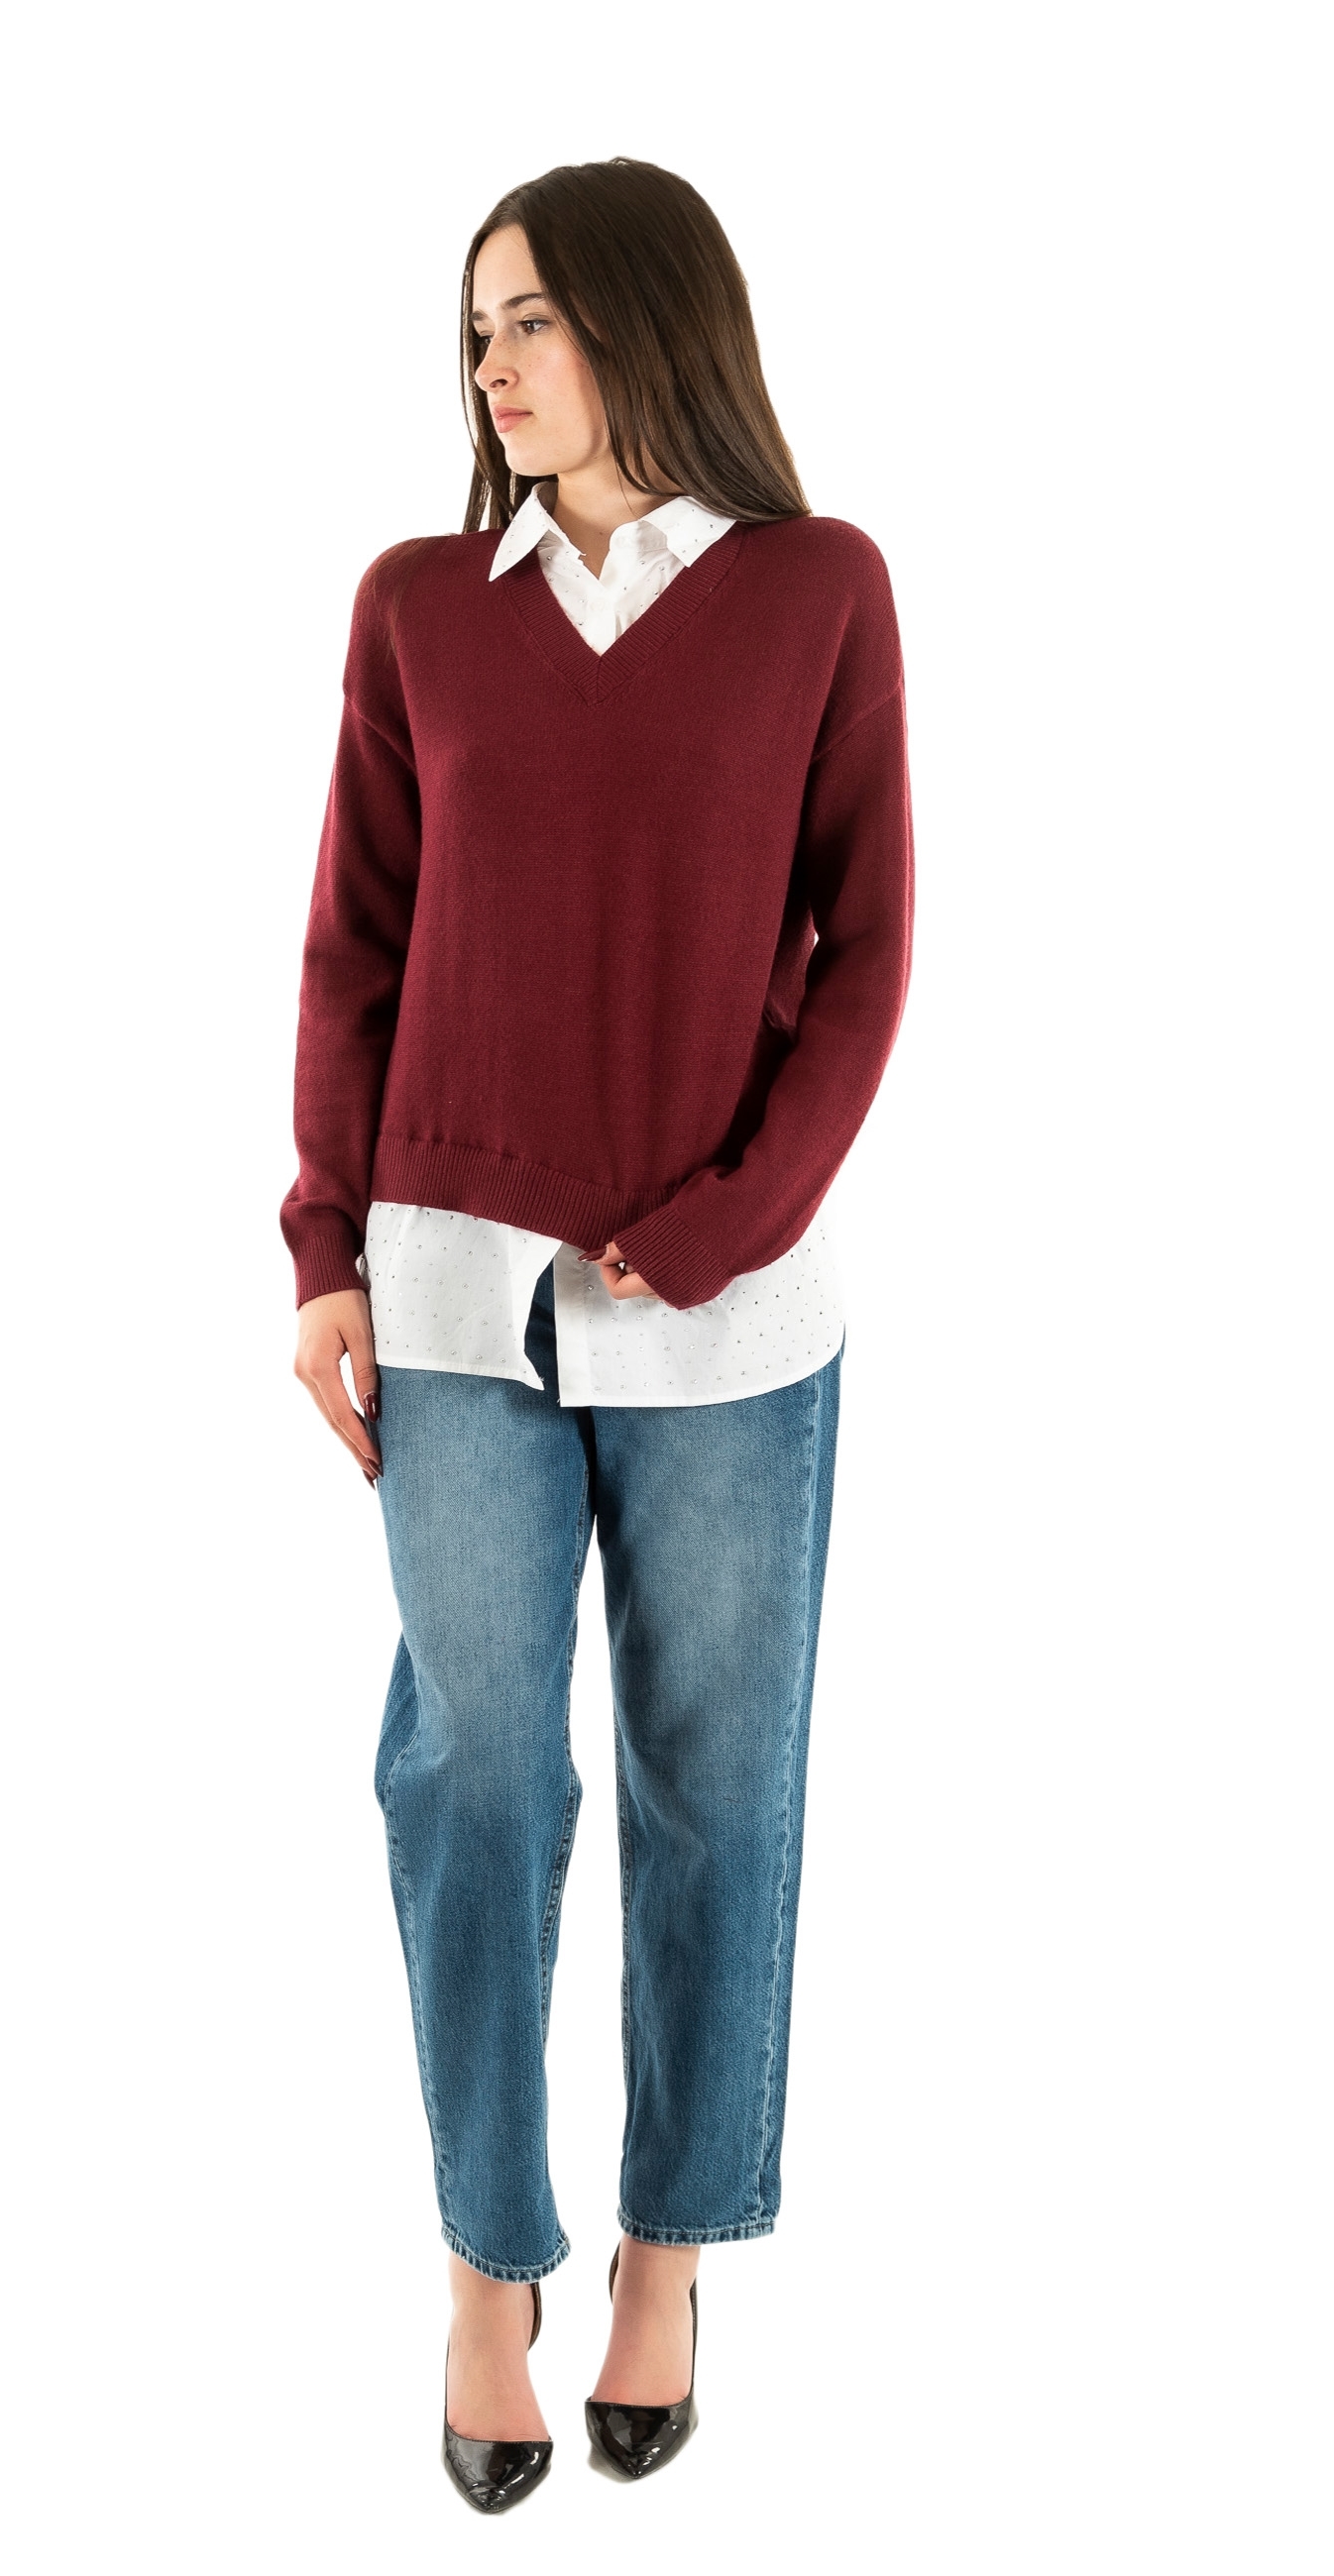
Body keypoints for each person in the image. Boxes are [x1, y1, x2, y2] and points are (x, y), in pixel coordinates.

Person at [281, 157, 913, 2513]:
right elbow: (352, 944)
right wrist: (323, 1251)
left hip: (733, 1314)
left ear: (652, 322)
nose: (493, 367)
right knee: (475, 1777)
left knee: (714, 1784)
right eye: (476, 332)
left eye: (529, 319)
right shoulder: (421, 611)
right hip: (454, 1291)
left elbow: (872, 942)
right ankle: (487, 2259)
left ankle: (668, 2244)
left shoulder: (818, 593)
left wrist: (735, 1215)